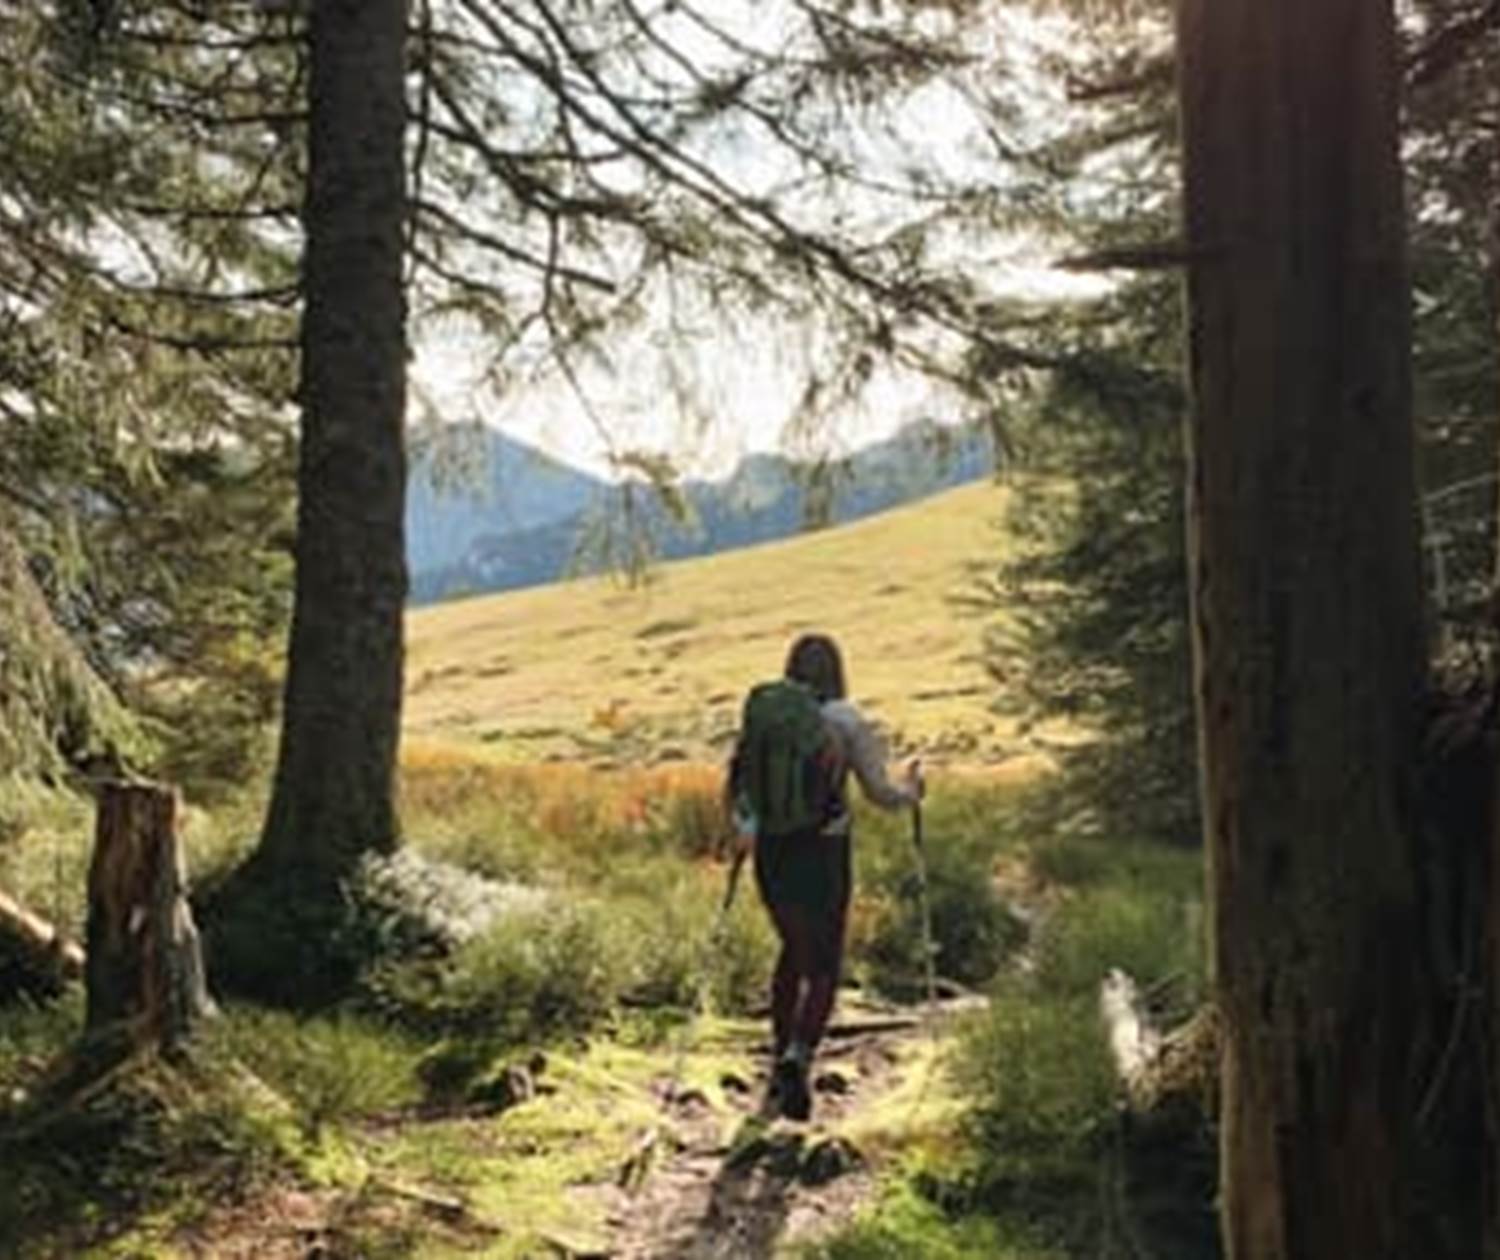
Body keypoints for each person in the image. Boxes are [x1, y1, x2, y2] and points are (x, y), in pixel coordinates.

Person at [729, 633, 922, 1121]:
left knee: (792, 951)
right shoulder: (846, 720)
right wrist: (912, 791)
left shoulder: (767, 719)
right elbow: (880, 793)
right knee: (826, 964)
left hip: (772, 851)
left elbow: (740, 784)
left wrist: (744, 832)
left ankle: (779, 1058)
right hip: (825, 851)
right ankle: (800, 1055)